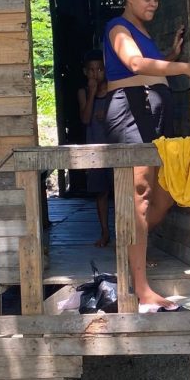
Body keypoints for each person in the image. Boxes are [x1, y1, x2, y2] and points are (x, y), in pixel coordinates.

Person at [103, 0, 190, 311]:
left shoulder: (142, 31)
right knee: (140, 197)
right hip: (130, 113)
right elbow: (135, 64)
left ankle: (129, 249)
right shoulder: (118, 28)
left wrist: (171, 56)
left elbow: (151, 65)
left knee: (164, 196)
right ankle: (141, 288)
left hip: (150, 117)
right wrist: (186, 68)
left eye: (157, 0)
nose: (154, 5)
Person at [77, 49, 112, 247]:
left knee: (122, 190)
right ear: (85, 72)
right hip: (95, 151)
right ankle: (105, 232)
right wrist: (91, 93)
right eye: (91, 70)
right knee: (101, 193)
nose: (95, 74)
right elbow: (85, 118)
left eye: (99, 69)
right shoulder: (83, 92)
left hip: (115, 147)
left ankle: (128, 235)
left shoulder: (114, 89)